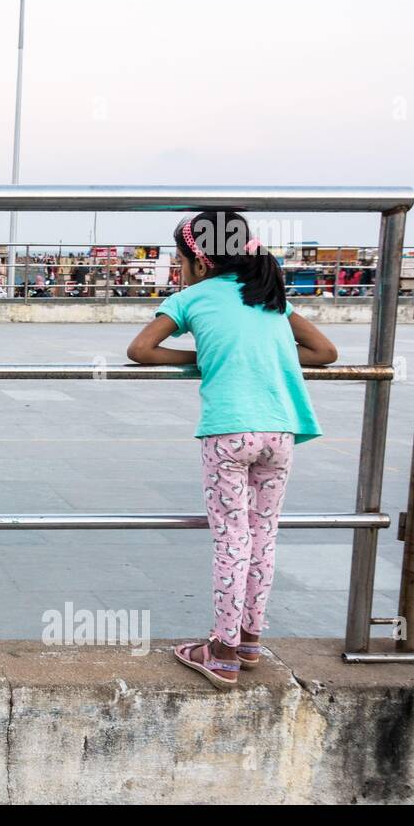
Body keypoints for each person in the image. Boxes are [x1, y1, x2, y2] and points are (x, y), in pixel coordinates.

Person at [126, 211, 335, 690]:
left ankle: (220, 651)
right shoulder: (270, 297)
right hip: (280, 433)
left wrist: (207, 357)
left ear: (198, 263)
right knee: (263, 536)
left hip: (228, 434)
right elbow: (325, 353)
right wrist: (263, 355)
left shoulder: (190, 297)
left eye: (179, 260)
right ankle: (249, 640)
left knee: (230, 540)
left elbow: (141, 349)